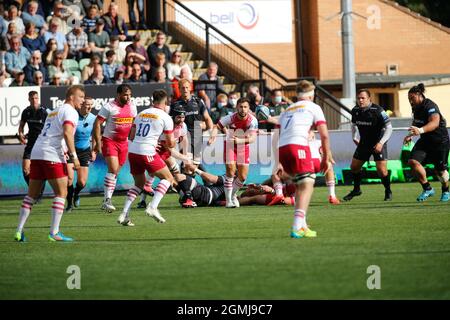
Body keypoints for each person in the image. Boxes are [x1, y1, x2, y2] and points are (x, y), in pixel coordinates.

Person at [14, 85, 85, 242]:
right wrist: (74, 156)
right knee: (61, 193)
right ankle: (54, 233)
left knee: (31, 195)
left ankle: (19, 231)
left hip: (37, 152)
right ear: (72, 97)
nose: (83, 100)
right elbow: (67, 133)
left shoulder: (55, 110)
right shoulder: (70, 111)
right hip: (51, 154)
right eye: (81, 97)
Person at [277, 80, 333, 239]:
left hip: (283, 148)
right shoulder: (314, 107)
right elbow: (324, 134)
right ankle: (296, 226)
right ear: (311, 95)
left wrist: (278, 161)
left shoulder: (288, 108)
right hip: (298, 147)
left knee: (300, 186)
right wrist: (326, 156)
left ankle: (303, 225)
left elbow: (277, 133)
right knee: (307, 185)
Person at [117, 90, 175, 226]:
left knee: (139, 184)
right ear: (165, 103)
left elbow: (131, 136)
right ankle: (153, 207)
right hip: (147, 151)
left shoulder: (141, 114)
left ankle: (124, 214)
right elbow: (171, 143)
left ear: (152, 100)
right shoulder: (166, 117)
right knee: (168, 178)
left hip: (133, 152)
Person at [93, 84, 137, 212]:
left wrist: (133, 140)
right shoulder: (109, 107)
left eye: (129, 94)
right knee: (112, 169)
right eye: (125, 94)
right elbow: (97, 123)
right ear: (118, 95)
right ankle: (107, 200)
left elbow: (133, 124)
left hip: (124, 143)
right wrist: (98, 141)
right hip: (110, 141)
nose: (128, 97)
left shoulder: (133, 106)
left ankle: (106, 201)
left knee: (115, 172)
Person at [343, 89, 393, 202]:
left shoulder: (378, 110)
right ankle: (356, 190)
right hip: (364, 143)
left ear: (369, 99)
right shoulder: (355, 110)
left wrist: (381, 143)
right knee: (354, 167)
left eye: (363, 98)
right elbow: (354, 124)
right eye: (358, 98)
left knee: (381, 170)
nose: (360, 100)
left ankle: (388, 191)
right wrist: (354, 137)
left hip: (378, 143)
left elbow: (389, 128)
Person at [208, 97, 258, 208]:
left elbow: (253, 138)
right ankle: (228, 201)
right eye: (241, 107)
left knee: (242, 177)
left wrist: (241, 140)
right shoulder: (230, 118)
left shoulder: (253, 120)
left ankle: (233, 195)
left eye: (245, 107)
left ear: (249, 108)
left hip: (243, 147)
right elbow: (217, 126)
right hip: (230, 146)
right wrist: (213, 136)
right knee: (230, 171)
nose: (243, 109)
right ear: (237, 107)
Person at [404, 83, 450, 202]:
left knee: (440, 171)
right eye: (409, 99)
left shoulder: (430, 105)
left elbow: (434, 123)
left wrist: (419, 130)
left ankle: (446, 190)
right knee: (412, 162)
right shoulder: (415, 108)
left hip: (440, 141)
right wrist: (410, 135)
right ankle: (427, 188)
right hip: (425, 141)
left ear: (419, 95)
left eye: (412, 98)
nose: (411, 101)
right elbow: (416, 122)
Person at [171, 78, 214, 173]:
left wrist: (210, 132)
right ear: (179, 89)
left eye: (187, 87)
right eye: (182, 88)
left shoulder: (198, 101)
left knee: (195, 163)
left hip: (198, 134)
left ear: (190, 88)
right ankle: (187, 184)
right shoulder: (175, 104)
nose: (185, 90)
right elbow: (171, 122)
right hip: (184, 136)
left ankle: (203, 181)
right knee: (188, 162)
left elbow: (207, 118)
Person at [65, 97, 96, 212]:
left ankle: (76, 194)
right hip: (71, 151)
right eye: (87, 104)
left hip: (84, 151)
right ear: (82, 105)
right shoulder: (73, 116)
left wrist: (94, 151)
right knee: (69, 179)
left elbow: (95, 136)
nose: (89, 107)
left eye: (91, 105)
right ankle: (69, 204)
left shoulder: (93, 118)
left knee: (82, 182)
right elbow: (66, 133)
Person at [18, 91, 47, 202]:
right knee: (26, 170)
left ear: (38, 98)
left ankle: (39, 192)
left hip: (42, 145)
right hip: (30, 145)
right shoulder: (26, 111)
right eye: (32, 98)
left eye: (36, 98)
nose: (34, 100)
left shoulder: (44, 111)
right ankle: (35, 189)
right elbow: (21, 126)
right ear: (29, 99)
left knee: (42, 170)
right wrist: (21, 134)